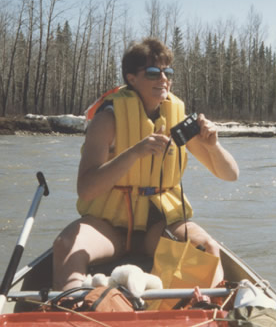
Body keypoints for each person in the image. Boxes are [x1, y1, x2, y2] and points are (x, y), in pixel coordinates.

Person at [52, 37, 239, 291]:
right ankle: (73, 305)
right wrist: (134, 153)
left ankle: (204, 309)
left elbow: (230, 174)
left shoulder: (177, 118)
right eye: (153, 72)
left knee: (206, 249)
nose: (163, 79)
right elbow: (86, 189)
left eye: (167, 72)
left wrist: (212, 145)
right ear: (131, 78)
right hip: (109, 228)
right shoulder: (107, 120)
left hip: (157, 228)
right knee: (65, 244)